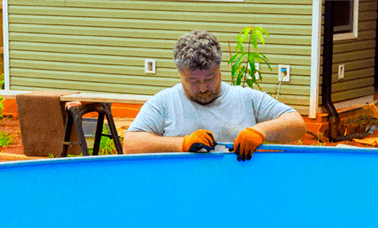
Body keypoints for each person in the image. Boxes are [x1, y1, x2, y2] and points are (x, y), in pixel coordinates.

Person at [125, 30, 307, 161]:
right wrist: (182, 144)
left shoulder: (246, 98)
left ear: (219, 68)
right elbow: (131, 145)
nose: (203, 88)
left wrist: (260, 131)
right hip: (184, 196)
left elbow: (297, 125)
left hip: (238, 194)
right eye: (193, 82)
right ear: (179, 73)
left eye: (210, 79)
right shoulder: (164, 102)